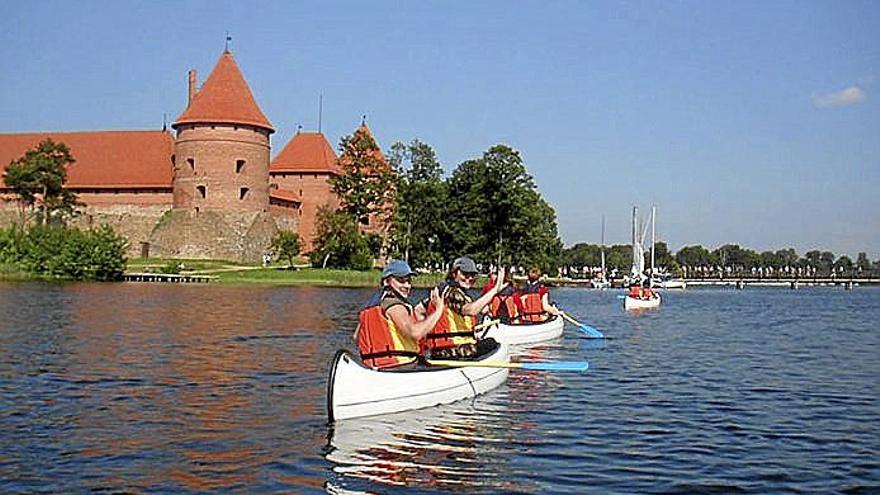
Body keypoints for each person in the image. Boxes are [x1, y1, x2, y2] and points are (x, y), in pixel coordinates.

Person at [354, 259, 446, 369]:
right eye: (401, 281)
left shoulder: (371, 305)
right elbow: (415, 332)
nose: (407, 286)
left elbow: (356, 336)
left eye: (409, 281)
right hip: (400, 366)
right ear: (386, 282)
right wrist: (439, 309)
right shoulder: (394, 305)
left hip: (377, 367)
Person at [416, 256, 507, 359]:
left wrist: (423, 341)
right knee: (492, 343)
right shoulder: (452, 292)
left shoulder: (443, 290)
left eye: (472, 275)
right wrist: (495, 289)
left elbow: (419, 310)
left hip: (440, 350)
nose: (469, 278)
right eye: (465, 274)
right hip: (453, 351)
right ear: (454, 273)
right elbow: (471, 310)